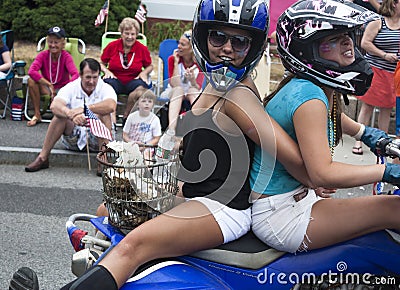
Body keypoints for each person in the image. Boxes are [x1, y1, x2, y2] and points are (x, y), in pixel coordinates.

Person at [10, 0, 314, 288]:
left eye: (240, 42)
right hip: (200, 198)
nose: (226, 49)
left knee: (132, 247)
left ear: (253, 48)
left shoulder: (239, 96)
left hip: (223, 210)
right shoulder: (215, 83)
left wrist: (313, 177)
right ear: (204, 36)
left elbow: (286, 154)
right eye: (219, 36)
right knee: (106, 212)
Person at [250, 0, 400, 254]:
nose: (347, 43)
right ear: (307, 51)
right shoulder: (309, 97)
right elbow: (323, 174)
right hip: (282, 214)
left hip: (292, 200)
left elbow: (332, 116)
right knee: (393, 209)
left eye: (347, 35)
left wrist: (368, 134)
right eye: (332, 38)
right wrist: (386, 171)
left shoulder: (310, 87)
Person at [24, 58, 117, 177]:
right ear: (80, 75)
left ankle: (103, 160)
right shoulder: (71, 87)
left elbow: (111, 105)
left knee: (104, 113)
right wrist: (71, 114)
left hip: (99, 139)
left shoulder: (105, 88)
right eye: (88, 77)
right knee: (59, 116)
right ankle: (43, 157)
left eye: (95, 77)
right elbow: (55, 105)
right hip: (74, 137)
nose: (92, 81)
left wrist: (85, 110)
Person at [352, 0, 400, 155]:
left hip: (393, 73)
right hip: (375, 70)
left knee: (387, 108)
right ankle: (358, 140)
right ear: (394, 4)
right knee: (368, 106)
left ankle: (382, 142)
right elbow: (365, 43)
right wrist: (384, 55)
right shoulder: (378, 22)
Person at [100, 17, 155, 125]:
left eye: (133, 34)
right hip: (115, 78)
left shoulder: (141, 48)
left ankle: (127, 117)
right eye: (127, 33)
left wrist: (143, 73)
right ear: (121, 33)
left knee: (140, 90)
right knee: (107, 88)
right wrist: (107, 71)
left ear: (136, 35)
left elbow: (150, 66)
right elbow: (101, 63)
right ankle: (112, 121)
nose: (130, 37)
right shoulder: (112, 46)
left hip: (133, 80)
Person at [26, 26, 79, 127]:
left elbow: (75, 74)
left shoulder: (66, 56)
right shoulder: (43, 55)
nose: (53, 45)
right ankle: (37, 114)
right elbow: (31, 71)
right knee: (31, 80)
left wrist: (67, 88)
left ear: (63, 44)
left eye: (56, 42)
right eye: (50, 42)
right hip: (47, 87)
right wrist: (49, 84)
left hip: (62, 88)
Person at [165, 30, 204, 132]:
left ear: (191, 48)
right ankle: (171, 130)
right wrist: (176, 63)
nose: (179, 46)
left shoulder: (199, 63)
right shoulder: (172, 59)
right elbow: (175, 84)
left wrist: (192, 79)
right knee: (178, 90)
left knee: (193, 90)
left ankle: (196, 128)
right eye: (179, 43)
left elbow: (198, 86)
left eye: (183, 44)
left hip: (191, 90)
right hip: (175, 91)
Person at [122, 89, 162, 160]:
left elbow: (156, 138)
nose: (147, 104)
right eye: (143, 101)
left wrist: (145, 145)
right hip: (132, 145)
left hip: (147, 146)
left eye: (150, 101)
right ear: (137, 104)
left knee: (146, 156)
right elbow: (124, 134)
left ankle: (146, 169)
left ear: (153, 104)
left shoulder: (155, 119)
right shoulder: (131, 117)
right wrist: (131, 143)